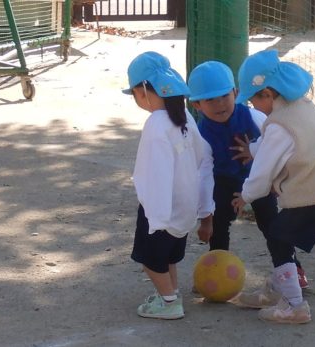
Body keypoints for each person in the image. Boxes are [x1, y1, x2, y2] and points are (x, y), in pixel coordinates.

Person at [231, 49, 315, 324]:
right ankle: (281, 287)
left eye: (253, 100)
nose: (253, 107)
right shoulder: (300, 106)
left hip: (311, 191)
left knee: (279, 237)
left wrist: (245, 196)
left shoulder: (280, 125)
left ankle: (294, 304)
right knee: (281, 235)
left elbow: (262, 173)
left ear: (267, 94)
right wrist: (255, 149)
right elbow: (281, 147)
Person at [187, 60, 310, 289]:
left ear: (236, 92)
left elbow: (277, 150)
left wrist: (275, 180)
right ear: (196, 105)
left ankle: (293, 271)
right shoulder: (201, 135)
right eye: (210, 99)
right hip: (222, 181)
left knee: (273, 226)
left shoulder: (256, 118)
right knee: (219, 226)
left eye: (224, 95)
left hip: (258, 179)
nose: (219, 104)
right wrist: (205, 218)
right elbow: (203, 176)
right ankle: (214, 273)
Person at [123, 51, 215, 320]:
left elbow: (155, 172)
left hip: (161, 209)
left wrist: (156, 215)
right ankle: (172, 292)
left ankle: (169, 302)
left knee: (150, 261)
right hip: (184, 207)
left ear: (143, 91)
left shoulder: (156, 124)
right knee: (169, 257)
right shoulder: (183, 116)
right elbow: (203, 154)